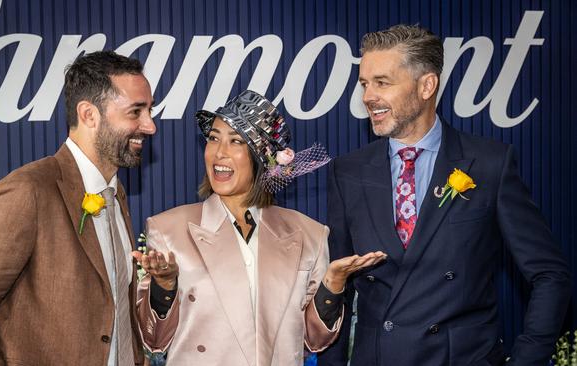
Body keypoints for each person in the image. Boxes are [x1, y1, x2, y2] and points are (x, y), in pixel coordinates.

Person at [318, 24, 571, 366]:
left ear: (427, 85)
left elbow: (550, 275)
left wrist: (527, 360)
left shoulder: (489, 164)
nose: (367, 97)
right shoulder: (347, 172)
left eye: (382, 83)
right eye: (364, 84)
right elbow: (340, 285)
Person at [132, 90, 386, 365]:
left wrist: (333, 284)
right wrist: (165, 286)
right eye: (214, 138)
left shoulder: (309, 234)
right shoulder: (168, 229)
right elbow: (154, 340)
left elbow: (314, 340)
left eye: (236, 142)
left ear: (261, 158)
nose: (219, 153)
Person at [0, 51, 156, 365]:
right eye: (136, 112)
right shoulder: (29, 190)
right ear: (89, 115)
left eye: (149, 110)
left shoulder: (115, 193)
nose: (150, 126)